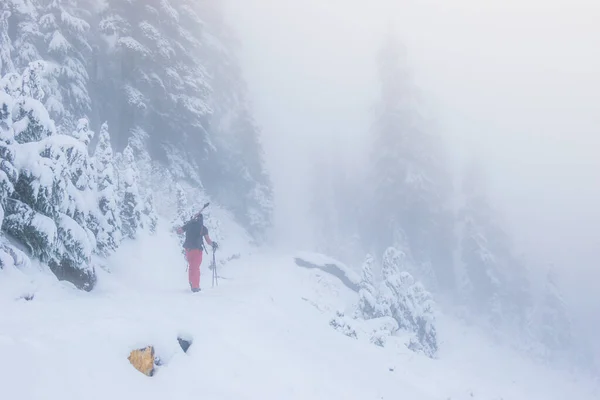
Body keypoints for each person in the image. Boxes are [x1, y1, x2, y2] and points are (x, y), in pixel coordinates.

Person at [175, 212, 218, 292]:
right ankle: (195, 286)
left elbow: (179, 231)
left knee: (191, 267)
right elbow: (208, 241)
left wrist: (184, 226)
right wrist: (213, 244)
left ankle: (191, 283)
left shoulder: (189, 225)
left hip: (187, 250)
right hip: (196, 250)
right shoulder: (203, 228)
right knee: (196, 268)